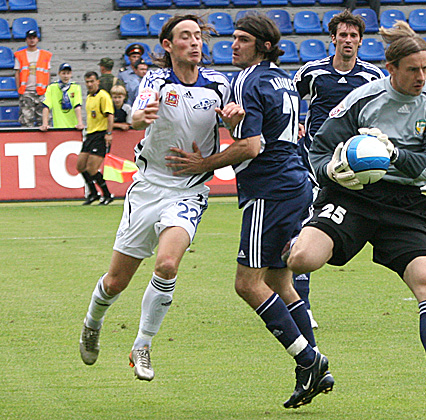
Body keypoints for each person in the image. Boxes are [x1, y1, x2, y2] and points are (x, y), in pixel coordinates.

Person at [284, 21, 426, 410]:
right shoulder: (363, 99)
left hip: (403, 203)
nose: (421, 77)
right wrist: (333, 171)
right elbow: (319, 149)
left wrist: (394, 155)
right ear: (391, 69)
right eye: (413, 70)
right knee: (303, 259)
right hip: (353, 196)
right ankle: (286, 251)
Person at [165, 13, 333, 409]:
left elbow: (252, 146)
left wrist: (202, 164)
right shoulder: (282, 80)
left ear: (263, 45)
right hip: (295, 183)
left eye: (242, 39)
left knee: (247, 284)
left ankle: (309, 360)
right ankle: (313, 366)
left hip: (269, 191)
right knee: (279, 281)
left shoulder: (247, 81)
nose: (233, 45)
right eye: (234, 38)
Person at [79, 14, 232, 382]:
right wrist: (139, 116)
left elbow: (238, 125)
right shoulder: (157, 80)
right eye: (185, 36)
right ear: (168, 45)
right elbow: (137, 113)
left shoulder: (220, 84)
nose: (194, 42)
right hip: (148, 188)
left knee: (166, 265)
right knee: (115, 282)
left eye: (198, 36)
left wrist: (237, 118)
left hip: (189, 190)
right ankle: (92, 322)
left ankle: (142, 344)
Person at [292, 10, 383, 325]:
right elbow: (288, 101)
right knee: (304, 225)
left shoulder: (371, 77)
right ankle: (301, 304)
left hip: (351, 167)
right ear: (333, 38)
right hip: (313, 162)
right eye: (342, 35)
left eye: (353, 35)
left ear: (360, 40)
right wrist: (295, 126)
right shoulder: (312, 72)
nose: (348, 40)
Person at [78, 71, 115, 206]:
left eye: (92, 81)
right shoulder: (89, 97)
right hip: (90, 134)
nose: (89, 84)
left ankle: (107, 194)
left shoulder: (103, 96)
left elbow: (110, 116)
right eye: (87, 82)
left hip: (100, 134)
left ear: (97, 82)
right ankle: (94, 193)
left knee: (92, 169)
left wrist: (109, 133)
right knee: (80, 166)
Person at [14, 29, 52, 127]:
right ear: (26, 40)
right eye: (30, 38)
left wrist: (47, 90)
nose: (32, 40)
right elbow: (17, 73)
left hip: (41, 92)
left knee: (44, 121)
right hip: (26, 92)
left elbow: (47, 73)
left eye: (34, 38)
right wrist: (19, 90)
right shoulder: (20, 55)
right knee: (26, 120)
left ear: (37, 39)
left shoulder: (45, 55)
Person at [40, 63, 84, 131]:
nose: (66, 76)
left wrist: (80, 123)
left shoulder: (75, 87)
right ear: (59, 73)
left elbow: (77, 106)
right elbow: (46, 106)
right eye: (63, 73)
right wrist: (45, 124)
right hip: (58, 126)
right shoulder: (52, 87)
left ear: (71, 74)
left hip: (73, 127)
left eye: (68, 73)